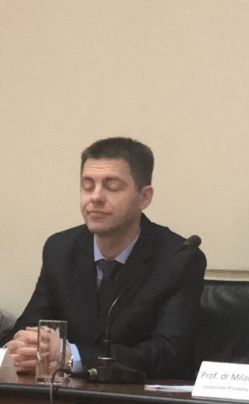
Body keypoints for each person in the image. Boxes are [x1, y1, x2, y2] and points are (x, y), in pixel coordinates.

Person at [3, 137, 206, 379]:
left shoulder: (178, 258)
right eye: (88, 186)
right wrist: (25, 346)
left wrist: (72, 356)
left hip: (136, 397)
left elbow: (170, 353)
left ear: (144, 197)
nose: (96, 197)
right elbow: (29, 328)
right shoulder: (61, 249)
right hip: (66, 394)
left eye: (112, 186)